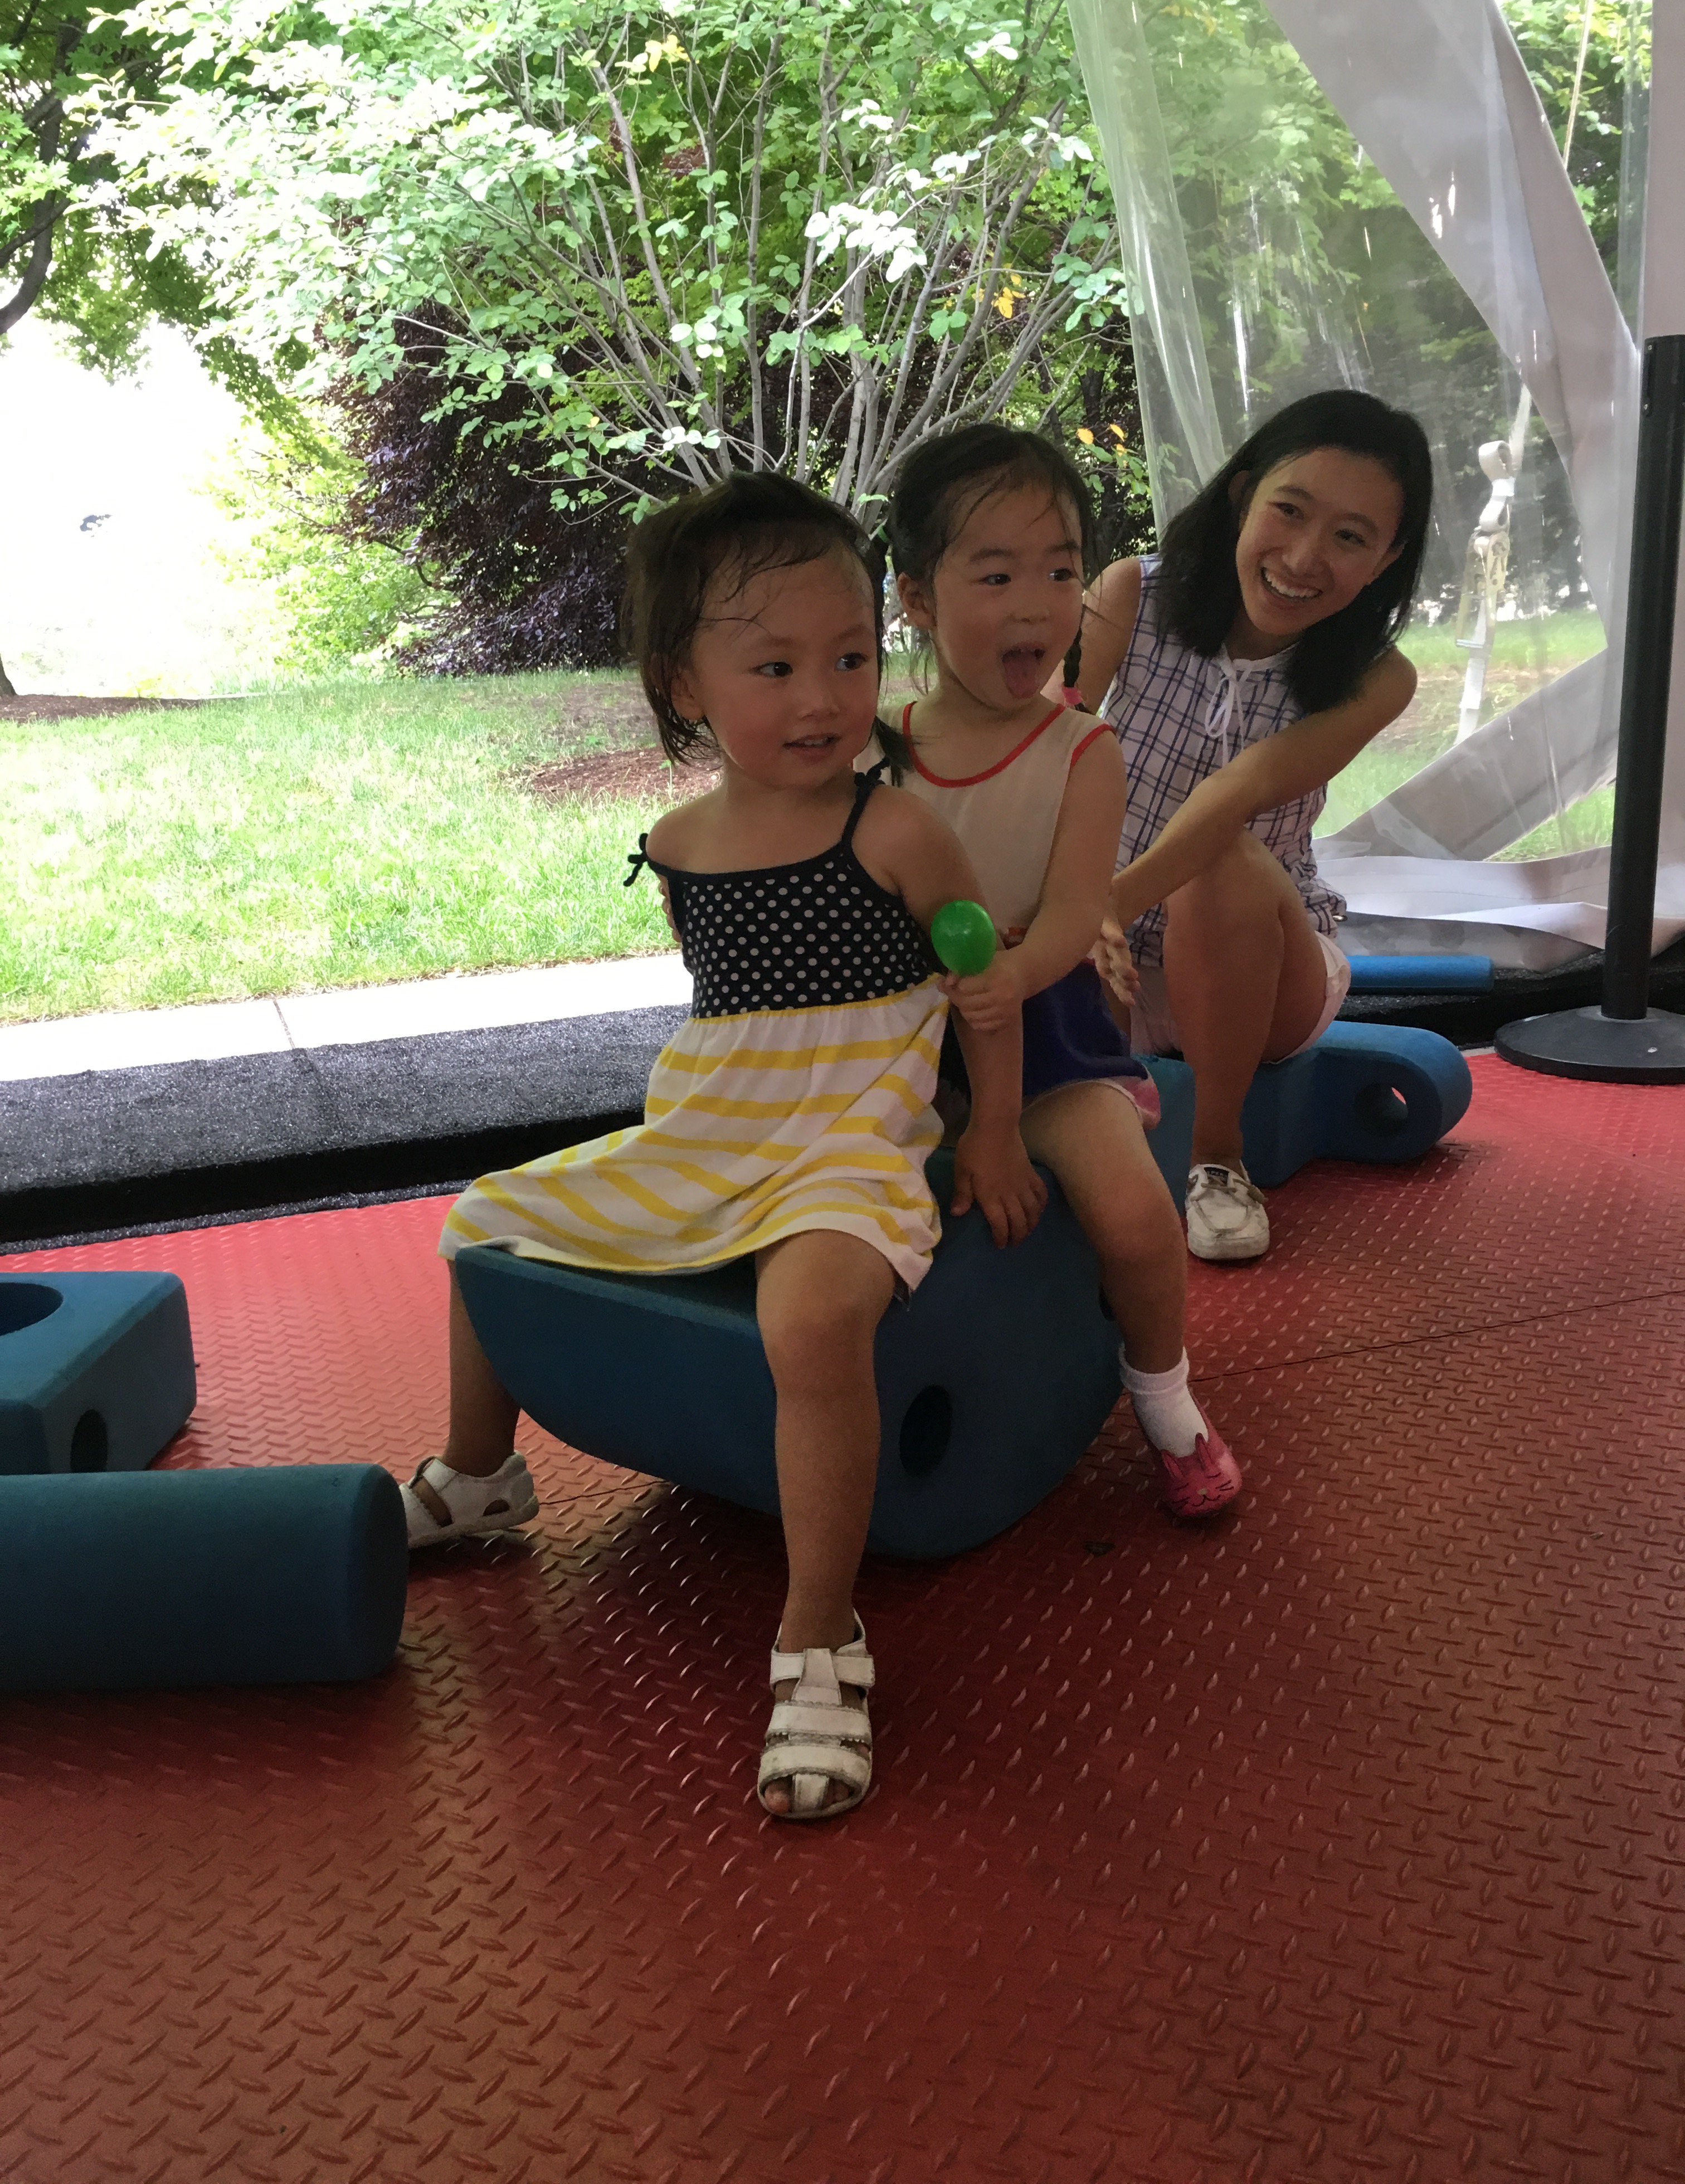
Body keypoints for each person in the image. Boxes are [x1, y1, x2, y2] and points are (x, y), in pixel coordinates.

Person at [401, 472, 1044, 1824]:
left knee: (810, 1321)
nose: (823, 697)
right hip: (708, 1129)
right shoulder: (680, 846)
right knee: (484, 1222)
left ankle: (818, 1636)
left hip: (849, 1138)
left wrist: (993, 1128)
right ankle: (480, 1475)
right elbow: (726, 1015)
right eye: (775, 666)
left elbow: (982, 986)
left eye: (851, 659)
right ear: (684, 684)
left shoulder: (896, 829)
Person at [881, 422, 1243, 1520]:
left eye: (1060, 574)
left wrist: (1007, 980)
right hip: (896, 1041)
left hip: (1040, 1026)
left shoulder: (1083, 749)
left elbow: (1079, 911)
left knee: (1134, 1213)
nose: (1037, 606)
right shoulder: (874, 746)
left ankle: (1165, 1394)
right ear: (917, 598)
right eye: (996, 576)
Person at [1068, 391, 1433, 1264]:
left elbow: (1244, 789)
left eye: (1351, 537)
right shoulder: (1133, 591)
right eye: (1290, 511)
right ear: (1242, 495)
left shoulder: (1380, 677)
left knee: (1225, 856)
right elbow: (1047, 734)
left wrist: (1100, 907)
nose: (1304, 559)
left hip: (1260, 969)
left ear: (1386, 560)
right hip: (1101, 946)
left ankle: (1218, 1162)